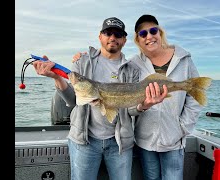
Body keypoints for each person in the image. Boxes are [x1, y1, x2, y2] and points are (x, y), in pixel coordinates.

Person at [32, 17, 167, 180]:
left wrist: (144, 105)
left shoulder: (132, 70)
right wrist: (56, 78)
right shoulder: (81, 62)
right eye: (108, 33)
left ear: (124, 40)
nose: (112, 37)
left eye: (118, 34)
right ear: (100, 36)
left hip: (119, 143)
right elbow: (74, 101)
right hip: (84, 141)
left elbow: (130, 109)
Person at [130, 14, 204, 180]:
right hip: (145, 140)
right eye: (143, 34)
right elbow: (125, 95)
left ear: (160, 32)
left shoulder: (183, 59)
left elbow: (195, 97)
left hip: (174, 140)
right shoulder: (133, 64)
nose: (149, 36)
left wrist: (182, 128)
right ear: (138, 39)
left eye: (153, 30)